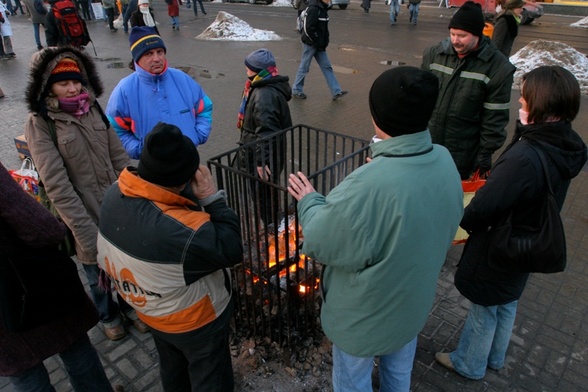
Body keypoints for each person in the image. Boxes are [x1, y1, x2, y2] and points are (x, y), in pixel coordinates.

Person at [287, 66, 464, 392]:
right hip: (410, 306)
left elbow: (319, 240)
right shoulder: (443, 158)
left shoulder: (367, 188)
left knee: (352, 382)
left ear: (378, 117)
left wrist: (309, 200)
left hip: (364, 318)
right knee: (398, 374)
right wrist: (383, 175)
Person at [435, 65, 587, 380]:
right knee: (506, 301)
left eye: (526, 99)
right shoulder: (565, 143)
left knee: (484, 307)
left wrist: (465, 220)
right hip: (527, 240)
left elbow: (486, 206)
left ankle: (469, 362)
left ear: (542, 106)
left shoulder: (526, 156)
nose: (520, 103)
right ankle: (494, 356)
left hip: (501, 242)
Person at [97, 122, 243, 391]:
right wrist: (211, 198)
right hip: (194, 321)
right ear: (183, 181)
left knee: (173, 370)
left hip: (150, 311)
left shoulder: (114, 193)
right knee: (210, 378)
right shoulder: (184, 231)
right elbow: (232, 247)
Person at [24, 47, 148, 342]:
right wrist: (83, 228)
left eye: (76, 81)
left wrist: (134, 194)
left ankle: (130, 307)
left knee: (126, 263)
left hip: (117, 202)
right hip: (84, 210)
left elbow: (117, 155)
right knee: (97, 274)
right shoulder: (41, 123)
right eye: (63, 83)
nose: (73, 88)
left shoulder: (92, 107)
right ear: (47, 86)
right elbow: (57, 184)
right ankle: (109, 315)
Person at [0, 162, 124, 392]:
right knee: (74, 349)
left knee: (25, 376)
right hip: (29, 285)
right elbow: (40, 229)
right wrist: (57, 229)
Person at [421, 1, 515, 180]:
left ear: (477, 34)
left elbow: (494, 117)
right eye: (452, 34)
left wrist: (485, 154)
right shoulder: (434, 54)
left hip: (463, 156)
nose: (455, 40)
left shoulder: (498, 67)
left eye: (462, 35)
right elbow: (420, 99)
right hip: (428, 147)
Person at [106, 26, 213, 159]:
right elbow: (116, 130)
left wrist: (198, 135)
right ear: (137, 59)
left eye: (160, 52)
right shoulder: (125, 89)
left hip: (189, 160)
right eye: (149, 54)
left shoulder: (182, 78)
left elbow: (204, 108)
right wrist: (140, 150)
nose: (156, 58)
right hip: (153, 171)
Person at [236, 49, 292, 226]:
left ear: (258, 70)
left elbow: (266, 131)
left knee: (263, 195)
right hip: (264, 151)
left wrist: (262, 162)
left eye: (249, 67)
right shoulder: (262, 86)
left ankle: (272, 229)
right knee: (267, 192)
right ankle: (274, 223)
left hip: (260, 154)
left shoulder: (263, 94)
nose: (246, 70)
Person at [291, 0, 348, 101]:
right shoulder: (314, 9)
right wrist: (316, 40)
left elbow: (324, 29)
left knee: (327, 67)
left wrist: (324, 41)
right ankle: (296, 89)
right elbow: (308, 28)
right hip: (311, 44)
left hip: (319, 45)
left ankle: (336, 91)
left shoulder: (323, 8)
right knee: (304, 67)